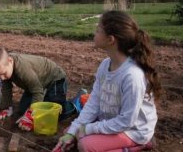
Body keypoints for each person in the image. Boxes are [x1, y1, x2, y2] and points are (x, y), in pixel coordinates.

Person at [52, 11, 161, 152]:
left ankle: (141, 144)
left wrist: (88, 128)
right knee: (71, 132)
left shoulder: (132, 76)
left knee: (85, 146)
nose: (94, 32)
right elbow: (94, 101)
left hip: (133, 130)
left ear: (110, 40)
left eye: (98, 30)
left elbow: (126, 121)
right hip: (113, 122)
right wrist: (73, 132)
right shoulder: (105, 65)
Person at [0, 46, 68, 131]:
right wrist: (7, 107)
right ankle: (44, 99)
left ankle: (73, 106)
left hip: (54, 79)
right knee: (23, 110)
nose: (1, 78)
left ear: (10, 61)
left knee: (54, 114)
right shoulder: (4, 67)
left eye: (4, 74)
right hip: (34, 85)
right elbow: (6, 89)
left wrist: (31, 115)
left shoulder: (23, 69)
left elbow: (37, 91)